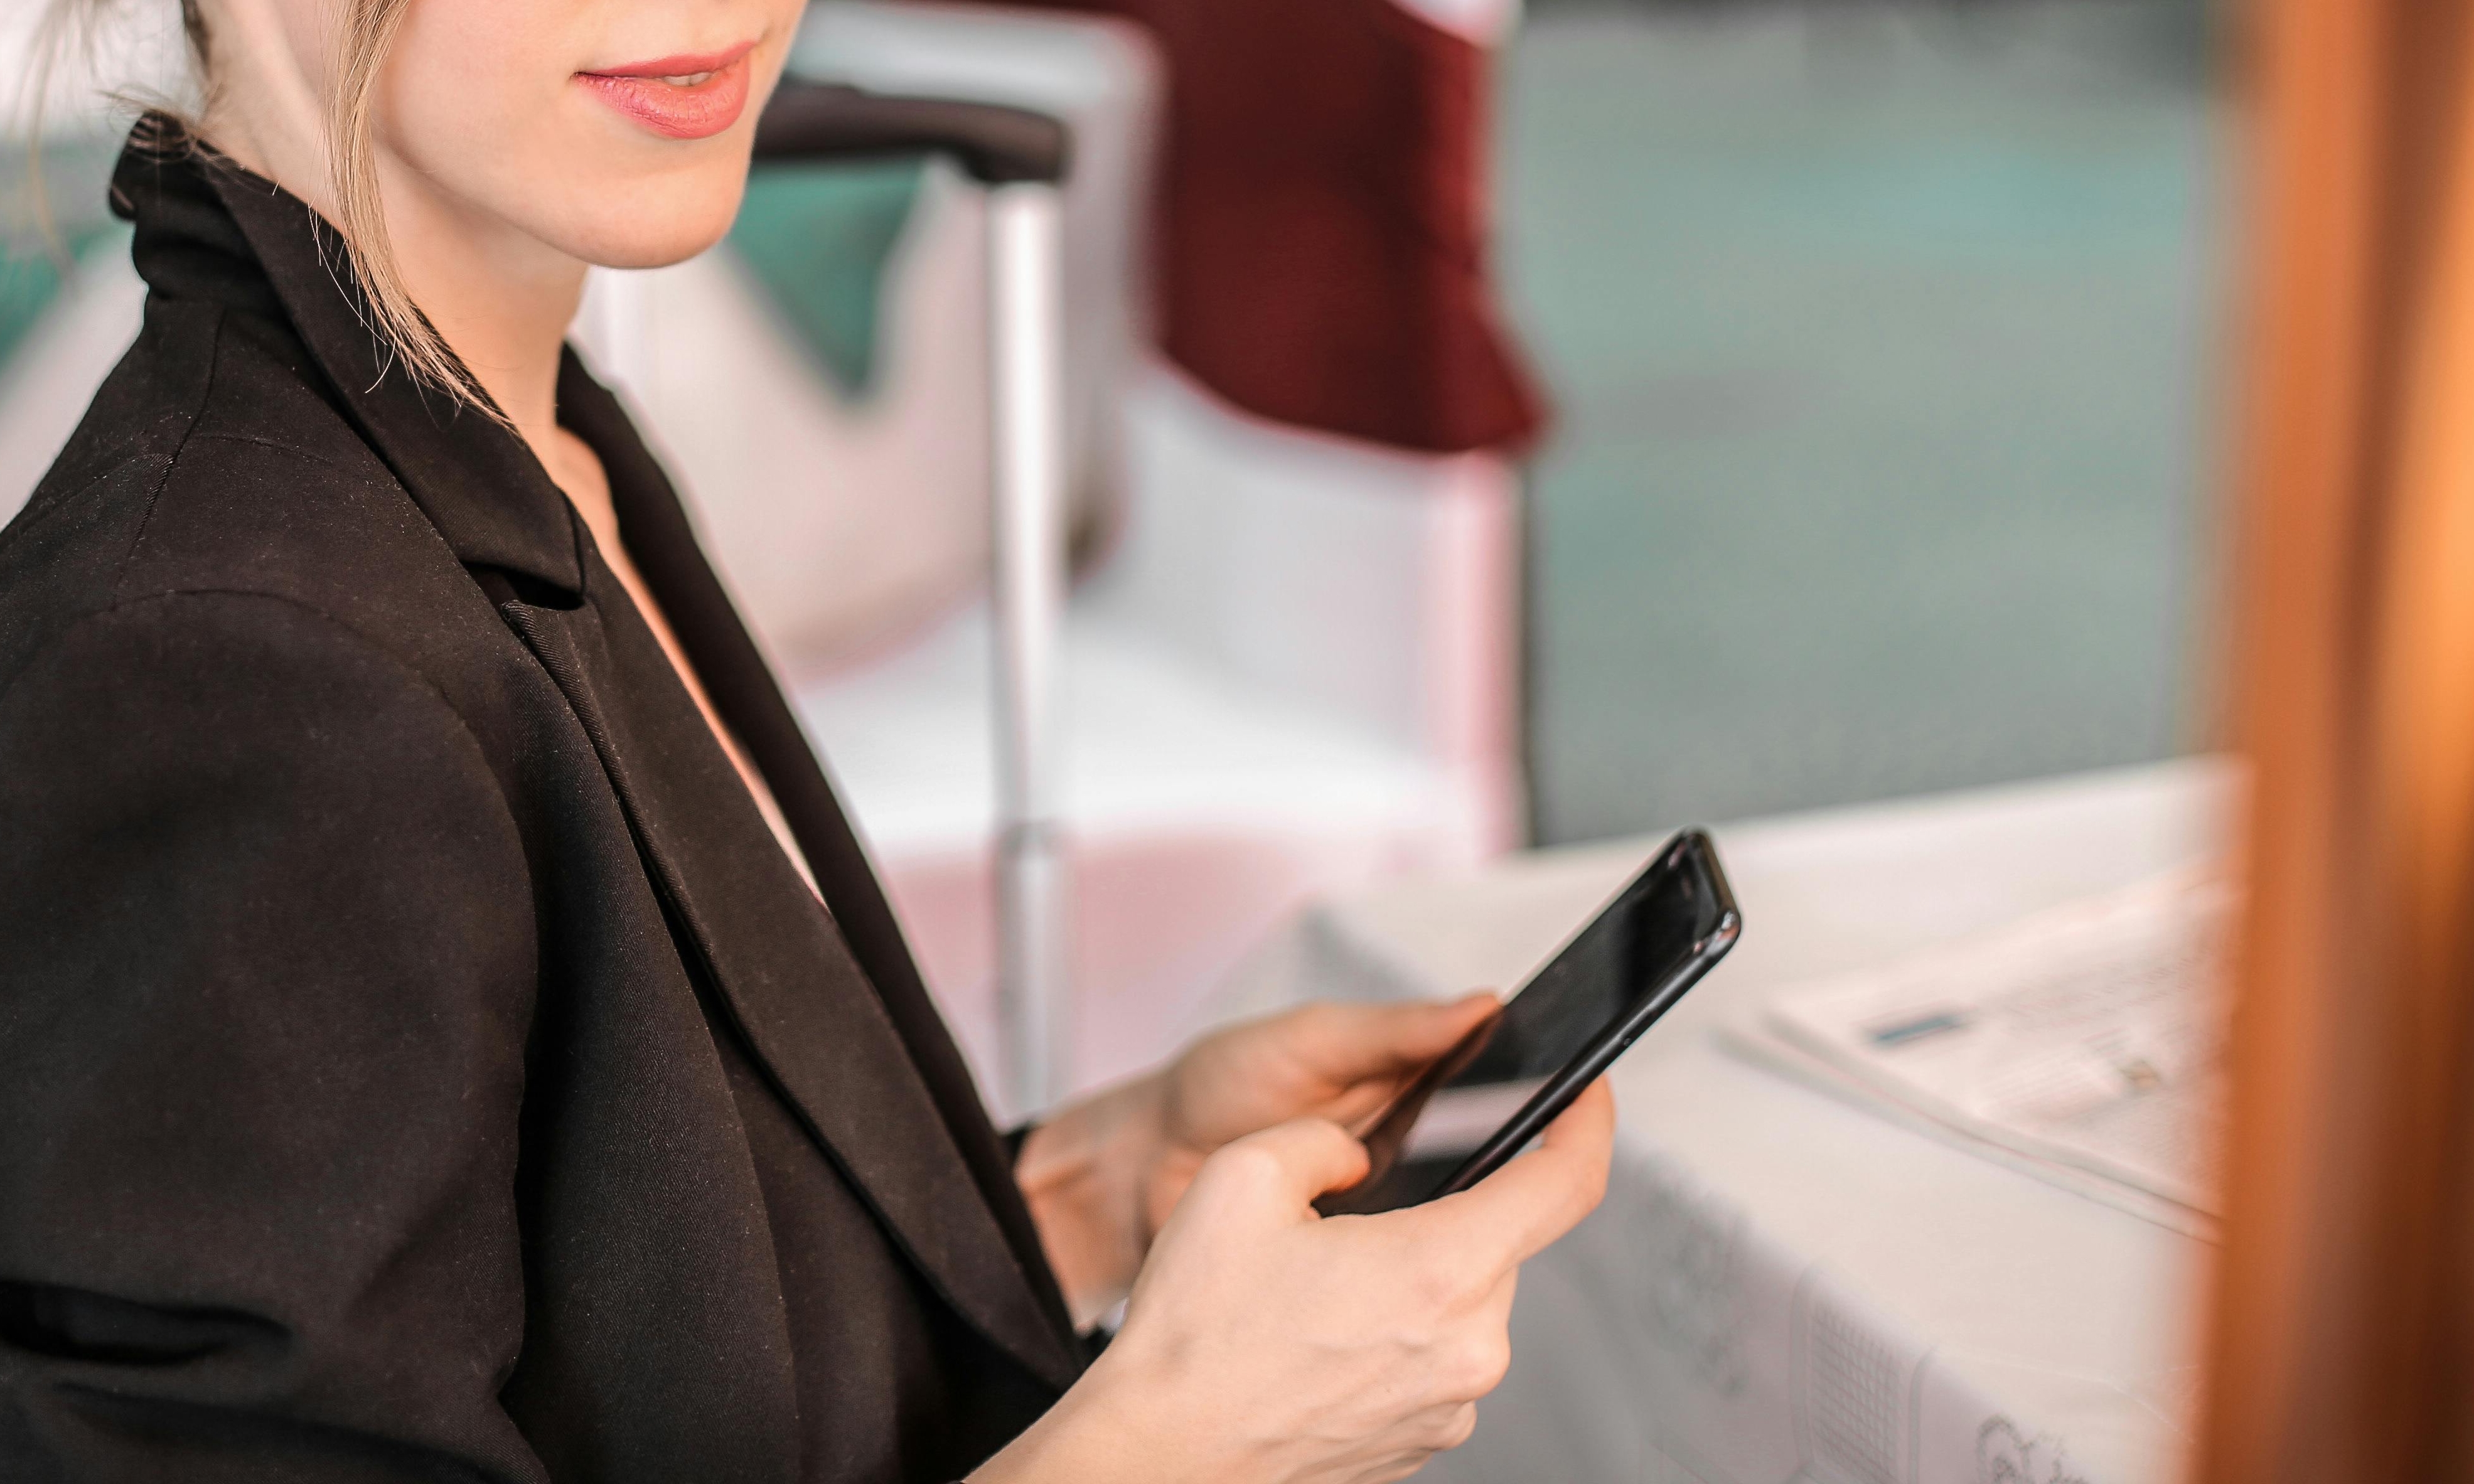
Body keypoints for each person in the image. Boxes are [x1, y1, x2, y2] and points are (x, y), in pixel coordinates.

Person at [0, 1, 1614, 1480]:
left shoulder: (537, 446)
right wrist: (1180, 1444)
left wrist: (1086, 1191)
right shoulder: (237, 666)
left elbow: (618, 1329)